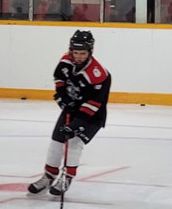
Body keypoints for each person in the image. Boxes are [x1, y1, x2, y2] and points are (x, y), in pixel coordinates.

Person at [28, 29, 112, 196]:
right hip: (71, 108)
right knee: (56, 141)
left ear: (90, 51)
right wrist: (61, 97)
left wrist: (75, 125)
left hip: (92, 116)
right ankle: (49, 176)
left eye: (82, 53)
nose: (78, 56)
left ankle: (66, 177)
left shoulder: (99, 74)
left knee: (74, 142)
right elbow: (59, 78)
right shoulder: (66, 60)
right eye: (76, 52)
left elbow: (94, 103)